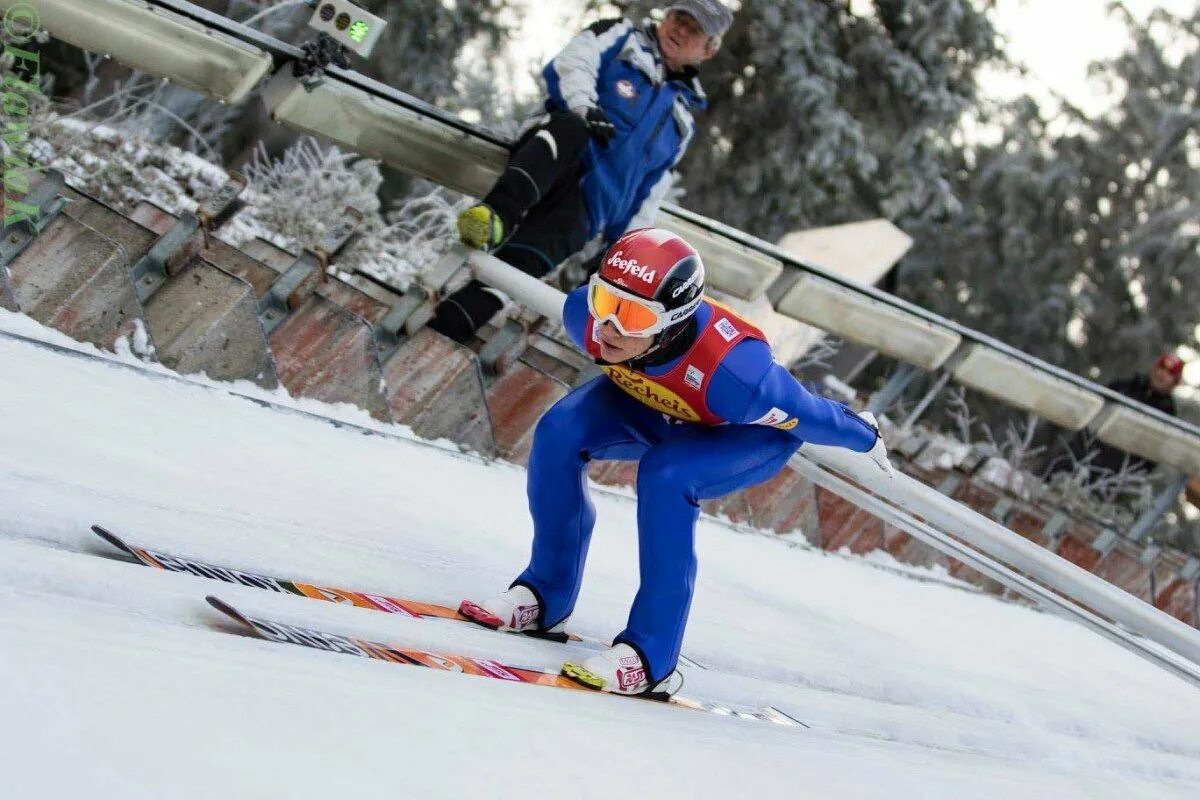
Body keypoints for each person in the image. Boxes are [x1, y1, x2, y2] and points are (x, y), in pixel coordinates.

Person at [458, 229, 894, 697]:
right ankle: (544, 595)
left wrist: (865, 436)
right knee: (558, 432)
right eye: (606, 300)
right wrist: (617, 315)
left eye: (633, 316)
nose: (608, 327)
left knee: (667, 476)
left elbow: (810, 414)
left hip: (736, 432)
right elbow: (611, 324)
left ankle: (650, 656)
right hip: (659, 404)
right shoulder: (584, 315)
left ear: (672, 322)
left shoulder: (737, 377)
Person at [429, 0, 733, 343]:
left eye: (694, 30)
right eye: (679, 18)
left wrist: (617, 254)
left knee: (511, 277)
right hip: (556, 158)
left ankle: (437, 338)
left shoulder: (683, 122)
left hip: (587, 212)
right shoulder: (619, 36)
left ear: (709, 50)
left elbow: (648, 195)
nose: (680, 30)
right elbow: (572, 63)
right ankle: (493, 217)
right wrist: (585, 107)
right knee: (571, 129)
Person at [1051, 352, 1184, 478]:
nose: (1162, 375)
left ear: (1175, 381)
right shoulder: (1124, 386)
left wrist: (1132, 475)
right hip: (1083, 451)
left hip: (1115, 470)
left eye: (1170, 373)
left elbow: (1153, 454)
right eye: (1161, 368)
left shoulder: (1167, 413)